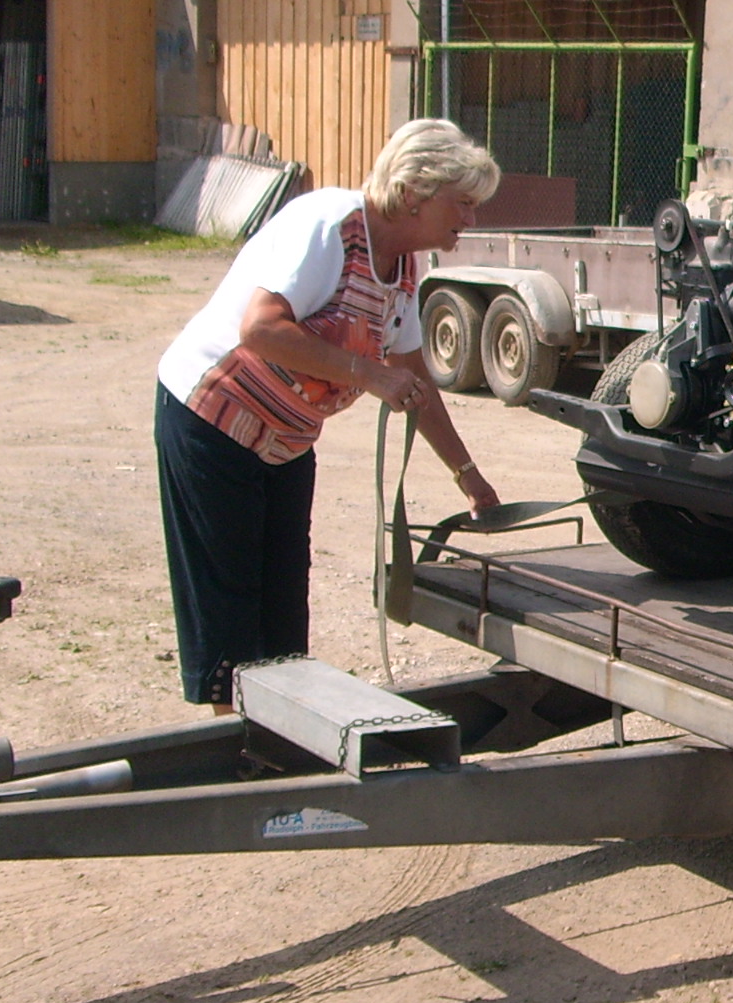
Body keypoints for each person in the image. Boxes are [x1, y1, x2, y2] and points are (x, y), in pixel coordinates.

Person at [155, 118, 503, 712]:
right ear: (414, 192)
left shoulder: (405, 266)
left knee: (284, 601)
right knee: (229, 601)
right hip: (212, 420)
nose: (471, 219)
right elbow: (261, 328)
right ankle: (231, 741)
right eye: (463, 203)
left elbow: (415, 377)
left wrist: (468, 477)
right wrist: (369, 374)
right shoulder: (330, 226)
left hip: (286, 439)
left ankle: (277, 732)